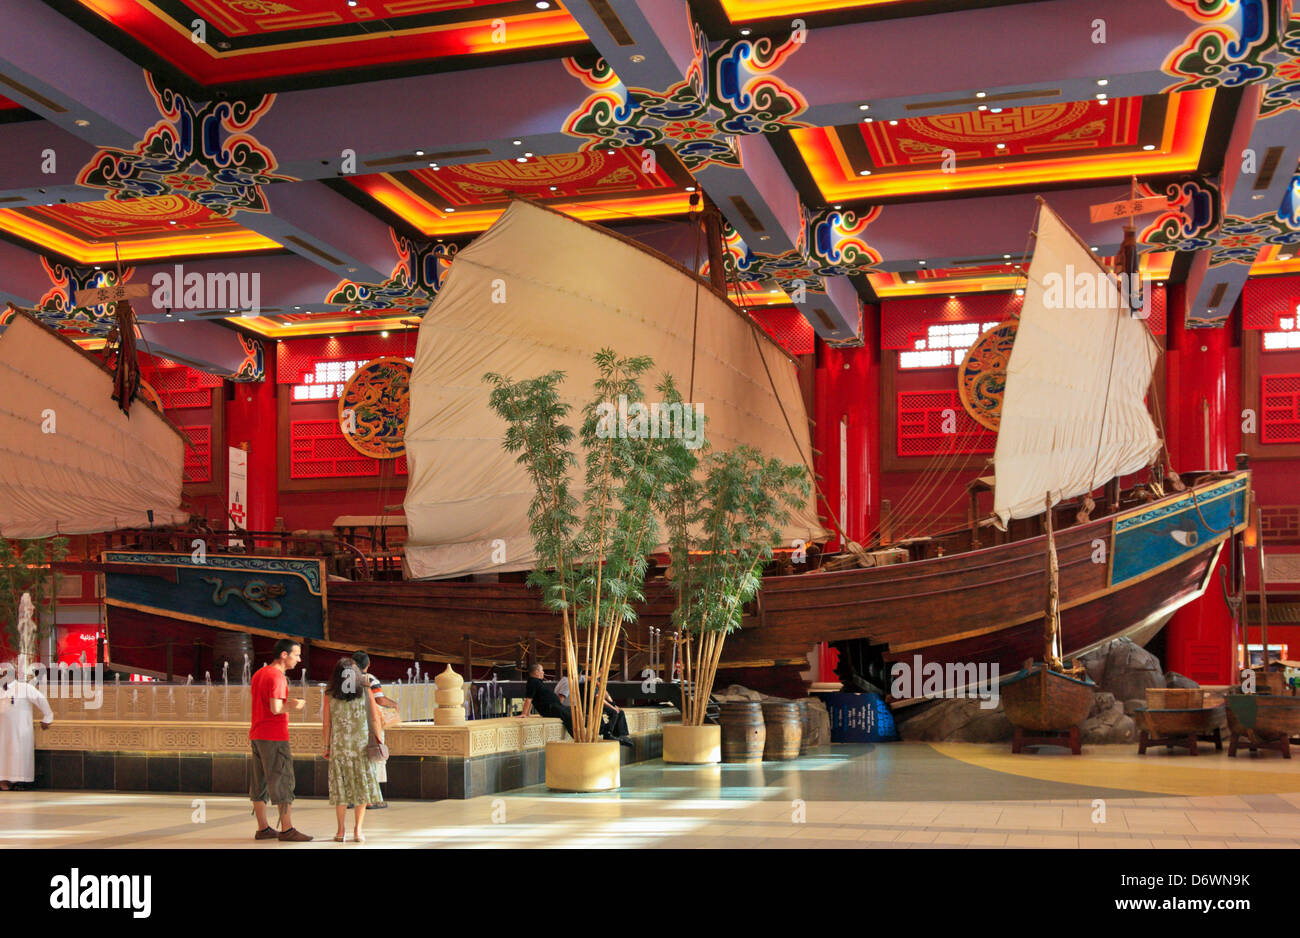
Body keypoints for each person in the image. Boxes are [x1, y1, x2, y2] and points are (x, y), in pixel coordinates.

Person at [249, 638, 311, 842]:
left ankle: (263, 828)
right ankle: (286, 829)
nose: (299, 659)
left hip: (258, 734)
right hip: (274, 736)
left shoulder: (259, 673)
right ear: (284, 655)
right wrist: (294, 705)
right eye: (296, 654)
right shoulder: (277, 677)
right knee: (283, 779)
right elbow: (276, 709)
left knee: (259, 783)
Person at [322, 657, 383, 843]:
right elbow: (374, 718)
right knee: (361, 787)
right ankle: (358, 830)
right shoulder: (365, 690)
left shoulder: (330, 693)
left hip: (340, 748)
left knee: (341, 789)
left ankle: (340, 831)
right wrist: (379, 739)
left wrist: (326, 746)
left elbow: (327, 723)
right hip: (361, 747)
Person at [350, 651, 397, 809]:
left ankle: (352, 798)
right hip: (368, 726)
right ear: (368, 664)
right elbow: (379, 700)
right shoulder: (370, 679)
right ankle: (370, 799)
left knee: (354, 762)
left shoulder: (345, 679)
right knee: (372, 760)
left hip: (350, 726)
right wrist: (394, 705)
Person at [0, 665, 53, 790]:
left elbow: (41, 700)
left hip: (21, 730)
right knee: (3, 754)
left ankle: (19, 781)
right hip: (2, 730)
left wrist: (47, 718)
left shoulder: (24, 688)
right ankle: (3, 781)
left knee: (19, 753)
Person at [556, 672, 634, 748]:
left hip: (597, 703)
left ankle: (622, 735)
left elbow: (605, 694)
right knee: (614, 712)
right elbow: (598, 697)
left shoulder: (585, 679)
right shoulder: (570, 682)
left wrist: (613, 704)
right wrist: (613, 707)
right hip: (591, 705)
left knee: (620, 712)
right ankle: (609, 733)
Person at [518, 663, 573, 738]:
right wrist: (524, 713)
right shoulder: (532, 682)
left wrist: (528, 713)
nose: (543, 672)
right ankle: (576, 736)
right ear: (536, 672)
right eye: (542, 670)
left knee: (571, 711)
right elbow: (529, 699)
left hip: (554, 706)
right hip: (550, 708)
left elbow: (532, 699)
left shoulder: (537, 682)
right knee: (568, 715)